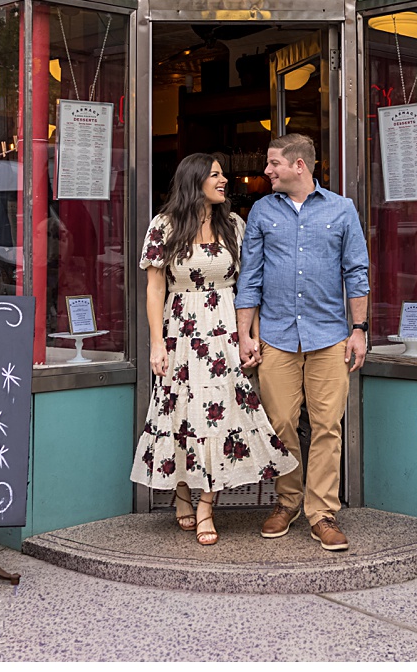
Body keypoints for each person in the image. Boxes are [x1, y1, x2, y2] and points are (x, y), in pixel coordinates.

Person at [130, 153, 298, 546]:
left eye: (223, 174)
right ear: (195, 181)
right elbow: (155, 288)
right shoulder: (164, 225)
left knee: (220, 417)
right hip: (181, 332)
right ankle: (182, 494)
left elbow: (248, 287)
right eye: (216, 175)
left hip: (223, 330)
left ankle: (206, 504)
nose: (225, 180)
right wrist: (156, 343)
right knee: (183, 416)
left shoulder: (234, 225)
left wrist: (250, 335)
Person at [235, 133, 369, 552]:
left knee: (328, 426)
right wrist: (245, 333)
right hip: (275, 336)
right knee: (280, 424)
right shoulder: (261, 211)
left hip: (329, 336)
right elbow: (249, 276)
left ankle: (322, 512)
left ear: (299, 166)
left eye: (274, 163)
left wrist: (360, 329)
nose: (267, 170)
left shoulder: (342, 210)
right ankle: (287, 501)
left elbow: (357, 272)